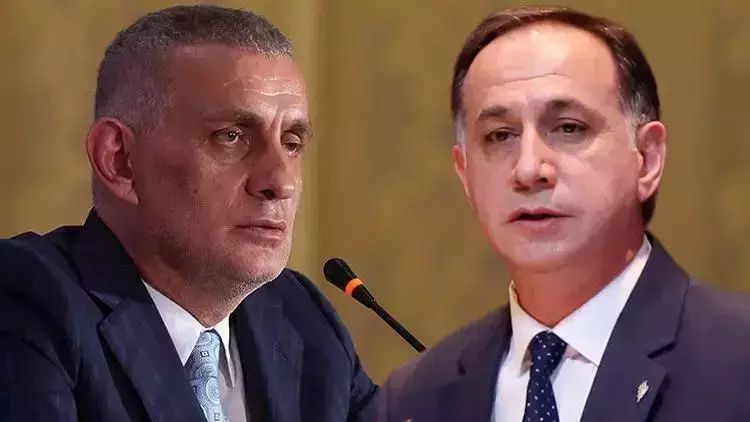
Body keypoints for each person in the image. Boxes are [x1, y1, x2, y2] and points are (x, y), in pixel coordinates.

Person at [0, 5, 376, 421]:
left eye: (291, 143)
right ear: (120, 160)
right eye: (231, 136)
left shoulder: (302, 317)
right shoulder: (26, 301)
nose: (280, 182)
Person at [377, 6, 750, 422]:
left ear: (646, 159)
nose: (528, 169)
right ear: (465, 174)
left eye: (569, 128)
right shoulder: (415, 398)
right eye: (500, 136)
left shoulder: (738, 358)